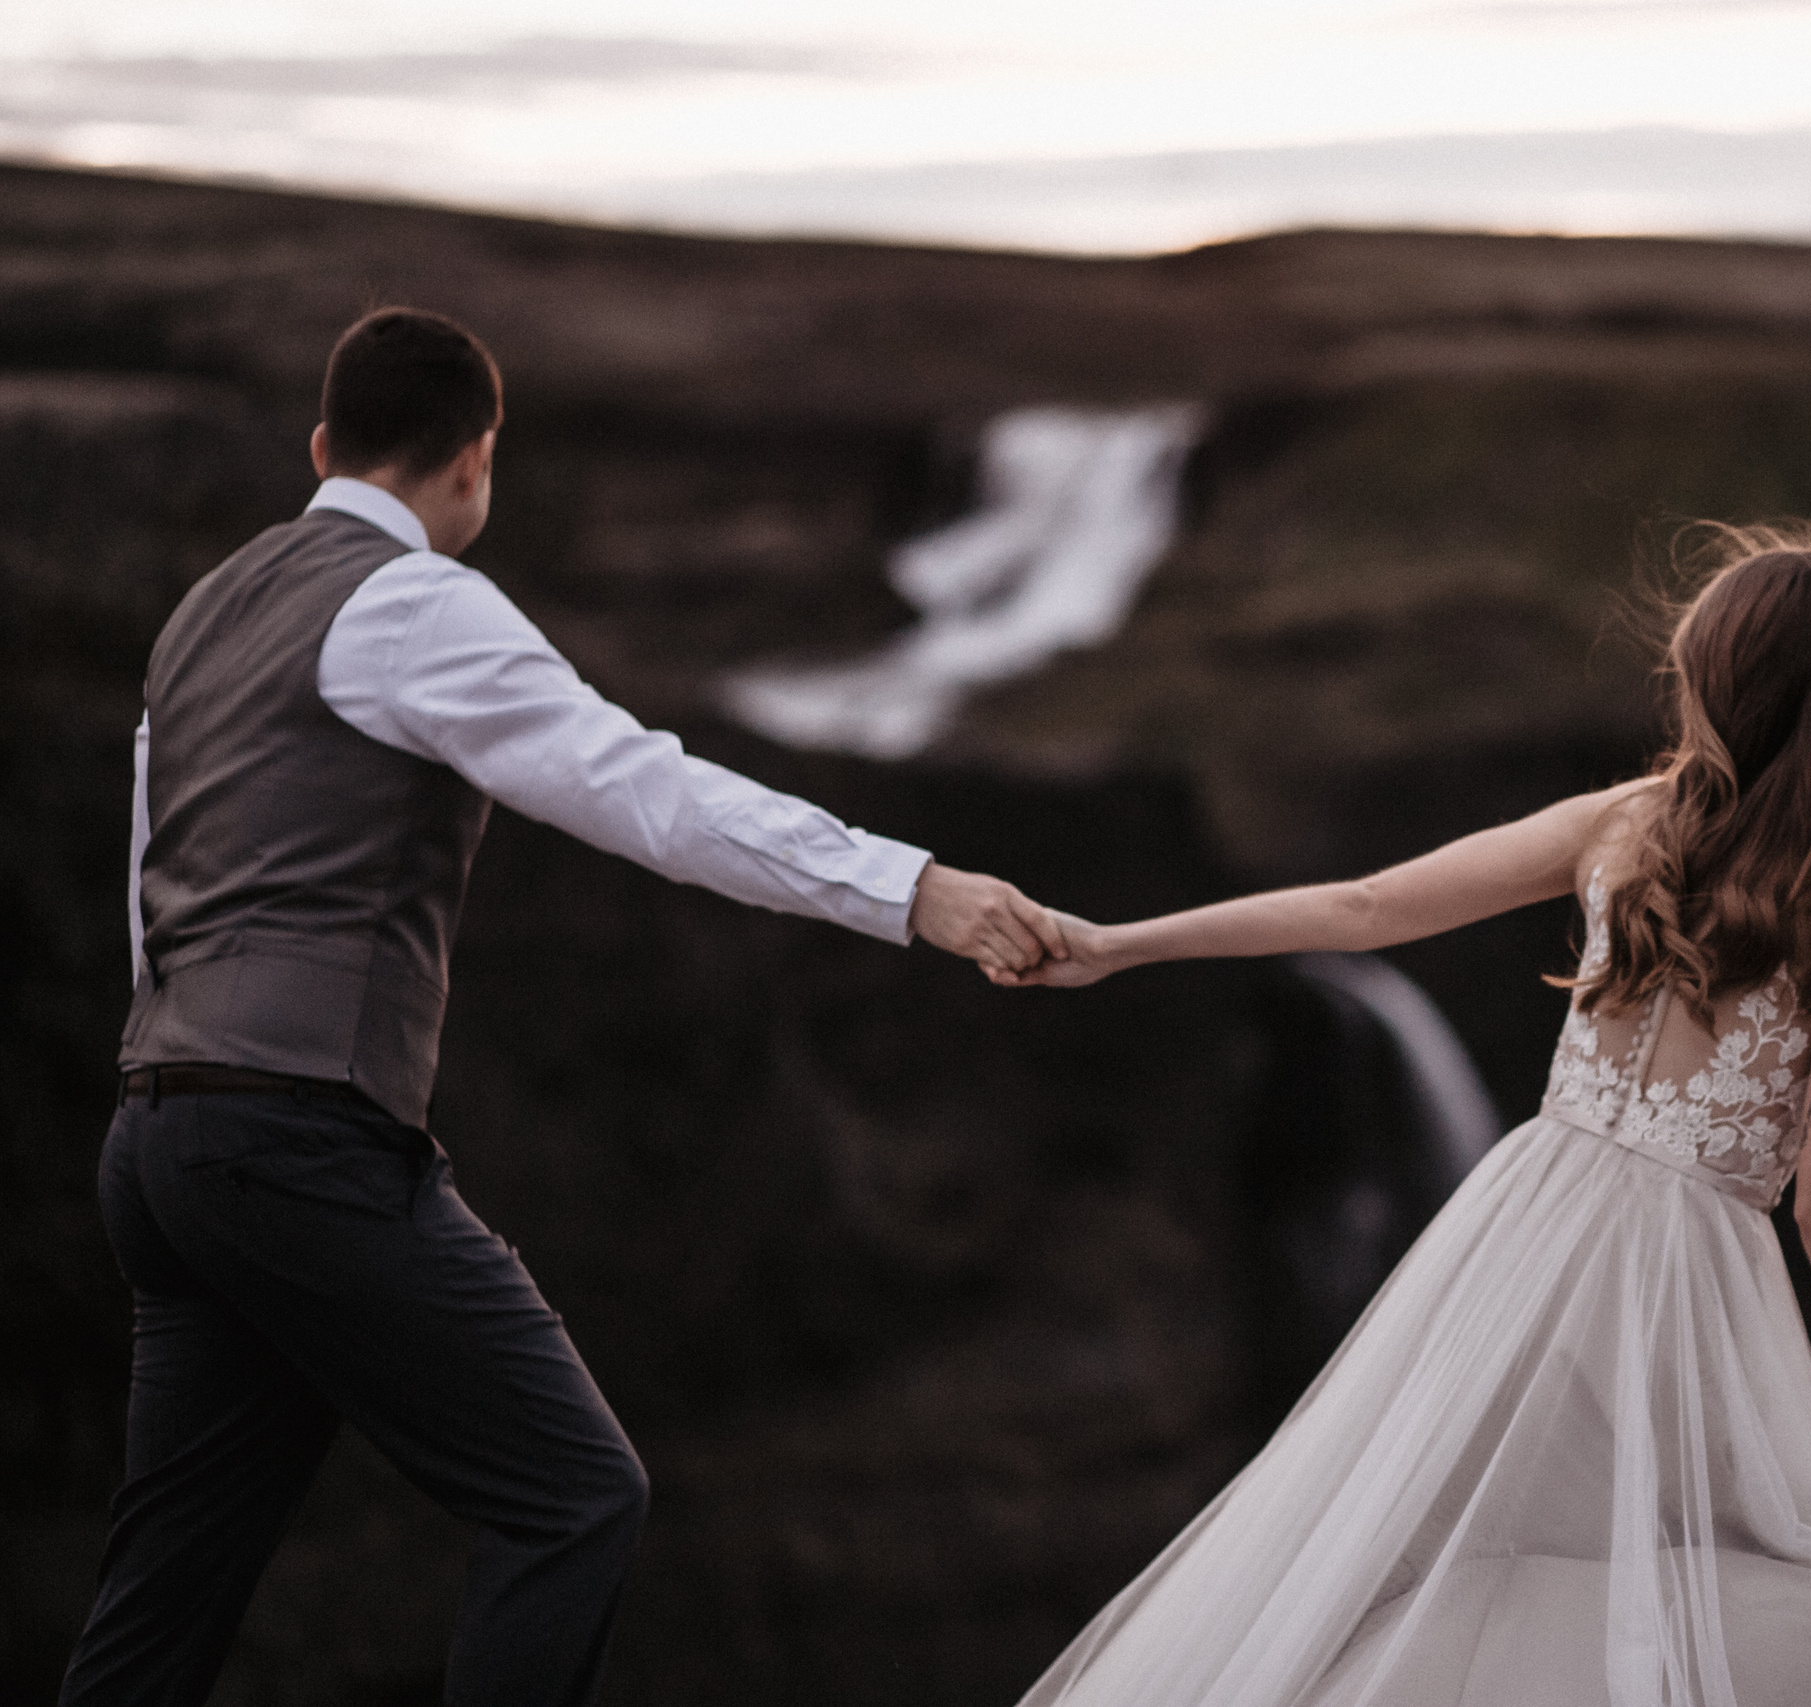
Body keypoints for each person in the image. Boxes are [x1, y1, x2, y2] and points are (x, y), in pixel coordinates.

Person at [64, 306, 1065, 1707]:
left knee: (163, 1592)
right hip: (295, 1143)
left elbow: (148, 895)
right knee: (573, 1497)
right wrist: (915, 889)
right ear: (475, 459)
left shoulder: (199, 616)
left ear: (321, 448)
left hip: (159, 1144)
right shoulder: (412, 605)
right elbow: (645, 789)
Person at [995, 524, 1811, 1706]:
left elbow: (1367, 904)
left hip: (1517, 1233)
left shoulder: (1630, 823)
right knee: (1766, 1583)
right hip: (1686, 1283)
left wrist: (1119, 946)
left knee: (1393, 1554)